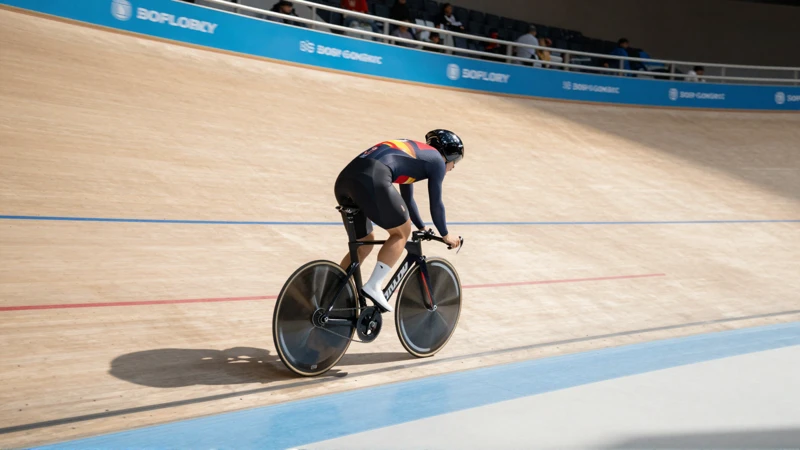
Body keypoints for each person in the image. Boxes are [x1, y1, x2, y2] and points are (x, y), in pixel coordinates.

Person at [333, 130, 465, 312]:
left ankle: (332, 291)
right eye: (455, 161)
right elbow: (436, 203)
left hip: (345, 180)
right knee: (402, 232)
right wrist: (445, 234)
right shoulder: (436, 161)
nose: (453, 167)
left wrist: (422, 226)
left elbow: (408, 200)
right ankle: (374, 285)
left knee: (364, 244)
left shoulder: (416, 154)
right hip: (373, 176)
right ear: (448, 155)